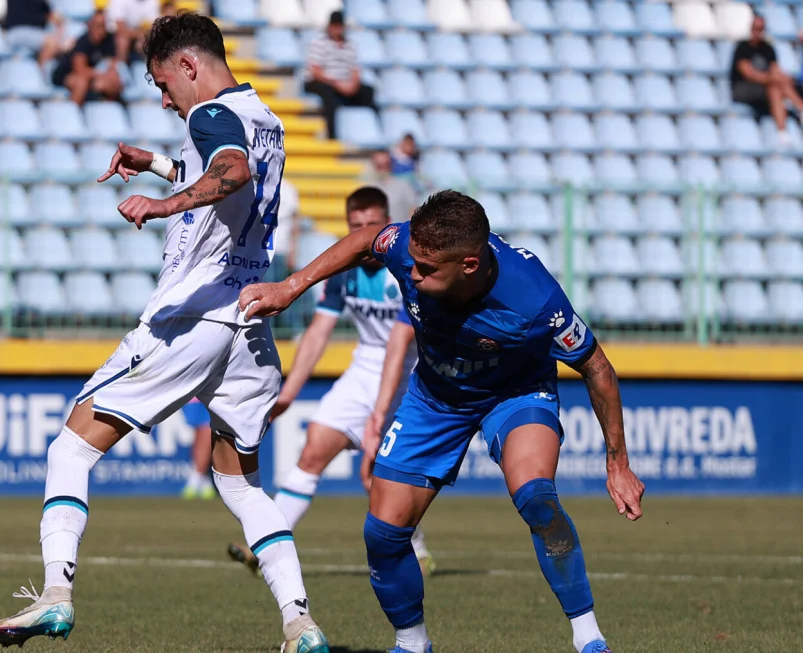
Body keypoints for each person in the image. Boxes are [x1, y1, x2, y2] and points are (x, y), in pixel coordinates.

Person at [0, 12, 329, 653]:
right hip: (249, 321)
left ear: (189, 65)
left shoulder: (210, 115)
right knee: (241, 484)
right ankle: (299, 622)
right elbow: (230, 177)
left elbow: (232, 172)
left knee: (70, 450)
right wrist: (161, 167)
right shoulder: (265, 119)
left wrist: (164, 203)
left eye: (164, 84)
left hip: (192, 316)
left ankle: (55, 595)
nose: (166, 100)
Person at [239, 190, 646, 653]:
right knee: (383, 533)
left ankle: (589, 638)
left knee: (536, 497)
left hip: (516, 393)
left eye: (426, 269)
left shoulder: (535, 300)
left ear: (469, 265)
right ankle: (412, 645)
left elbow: (598, 368)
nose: (411, 274)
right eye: (412, 262)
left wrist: (618, 463)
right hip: (435, 397)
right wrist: (290, 286)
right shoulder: (409, 247)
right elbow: (365, 240)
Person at [225, 187, 434, 578]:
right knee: (313, 450)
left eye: (372, 224)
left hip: (410, 375)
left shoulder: (407, 269)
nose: (365, 232)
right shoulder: (344, 271)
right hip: (364, 369)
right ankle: (267, 544)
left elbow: (398, 344)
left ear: (387, 222)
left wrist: (378, 416)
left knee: (381, 474)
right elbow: (319, 331)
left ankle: (417, 549)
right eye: (356, 225)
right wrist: (289, 392)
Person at [731, 13, 803, 146]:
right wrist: (772, 78)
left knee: (775, 89)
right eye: (755, 28)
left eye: (760, 29)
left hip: (766, 87)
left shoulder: (768, 49)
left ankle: (782, 133)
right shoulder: (742, 48)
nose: (757, 32)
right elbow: (749, 74)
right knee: (775, 86)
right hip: (744, 89)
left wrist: (779, 78)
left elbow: (775, 70)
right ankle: (800, 108)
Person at [304, 10, 377, 140]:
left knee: (368, 92)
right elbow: (315, 71)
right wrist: (337, 84)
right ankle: (332, 135)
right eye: (335, 26)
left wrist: (353, 85)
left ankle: (367, 132)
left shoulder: (350, 45)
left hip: (343, 83)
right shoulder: (319, 43)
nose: (338, 29)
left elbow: (355, 70)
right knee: (328, 95)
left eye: (340, 26)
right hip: (323, 82)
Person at [52, 11, 126, 106]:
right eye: (98, 26)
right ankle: (72, 112)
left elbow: (112, 65)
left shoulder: (109, 41)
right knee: (81, 83)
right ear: (90, 26)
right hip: (66, 74)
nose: (101, 30)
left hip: (93, 76)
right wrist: (100, 76)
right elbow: (79, 69)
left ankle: (107, 111)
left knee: (114, 84)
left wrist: (108, 78)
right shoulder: (83, 42)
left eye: (103, 26)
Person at [180, 398, 216, 499]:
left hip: (213, 396)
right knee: (199, 436)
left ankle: (195, 480)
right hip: (193, 396)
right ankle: (204, 482)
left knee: (208, 432)